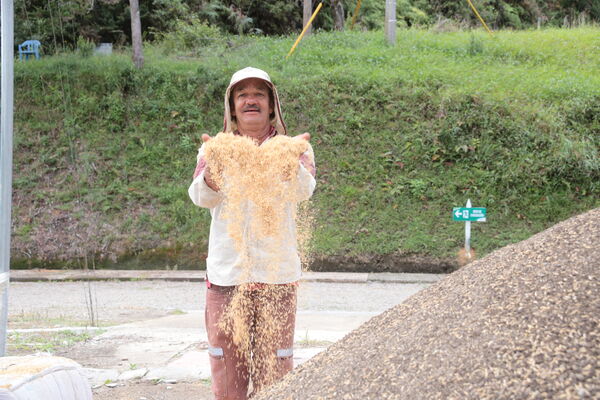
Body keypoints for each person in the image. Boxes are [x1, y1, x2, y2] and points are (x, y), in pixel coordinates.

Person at [188, 67, 316, 400]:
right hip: (228, 276)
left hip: (277, 277)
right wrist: (214, 172)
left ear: (272, 105)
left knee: (274, 372)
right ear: (232, 106)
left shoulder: (294, 148)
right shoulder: (214, 149)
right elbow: (201, 197)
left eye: (259, 93)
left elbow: (304, 191)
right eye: (242, 94)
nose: (251, 100)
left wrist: (292, 166)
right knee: (226, 368)